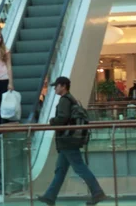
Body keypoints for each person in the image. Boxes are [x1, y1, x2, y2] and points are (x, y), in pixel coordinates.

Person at [38, 77, 106, 206]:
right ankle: (49, 197)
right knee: (60, 170)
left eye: (56, 86)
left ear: (63, 86)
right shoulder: (71, 99)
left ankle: (97, 193)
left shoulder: (64, 100)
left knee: (80, 167)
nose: (54, 88)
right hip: (69, 140)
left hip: (67, 141)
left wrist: (52, 121)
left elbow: (62, 118)